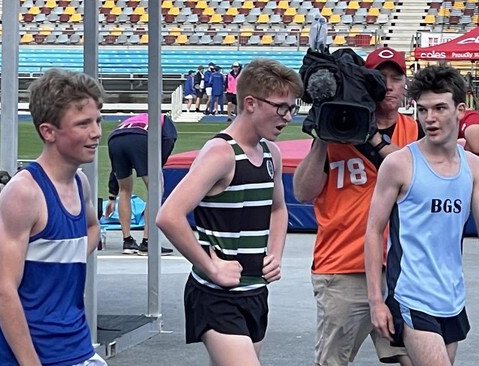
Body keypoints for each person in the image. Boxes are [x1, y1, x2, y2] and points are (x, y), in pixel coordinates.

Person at [364, 64, 479, 366]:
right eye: (423, 109)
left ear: (460, 109)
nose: (430, 118)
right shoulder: (400, 164)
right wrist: (376, 301)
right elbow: (374, 231)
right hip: (411, 295)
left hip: (452, 297)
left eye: (440, 108)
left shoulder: (472, 167)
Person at [155, 58, 303, 366]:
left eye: (293, 107)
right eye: (281, 107)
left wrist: (275, 253)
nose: (288, 116)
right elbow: (168, 216)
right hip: (216, 296)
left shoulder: (270, 154)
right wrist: (211, 267)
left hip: (255, 292)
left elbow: (278, 208)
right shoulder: (221, 153)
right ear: (250, 103)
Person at [293, 46, 421, 366]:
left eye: (396, 77)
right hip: (343, 265)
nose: (389, 85)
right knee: (333, 360)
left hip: (399, 267)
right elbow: (303, 192)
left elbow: (418, 178)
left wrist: (373, 138)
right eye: (381, 77)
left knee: (414, 356)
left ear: (406, 84)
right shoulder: (339, 125)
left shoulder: (414, 131)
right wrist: (324, 129)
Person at [0, 68, 107, 365]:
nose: (96, 132)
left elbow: (93, 228)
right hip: (35, 355)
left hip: (78, 346)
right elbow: (2, 291)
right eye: (83, 124)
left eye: (98, 120)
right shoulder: (24, 193)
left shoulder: (81, 184)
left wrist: (69, 254)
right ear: (48, 131)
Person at [105, 112, 177, 256]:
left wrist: (112, 196)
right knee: (155, 188)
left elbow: (115, 169)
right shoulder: (163, 117)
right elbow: (170, 138)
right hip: (139, 138)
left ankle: (127, 241)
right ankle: (148, 242)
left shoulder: (128, 121)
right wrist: (157, 165)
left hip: (114, 139)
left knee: (124, 190)